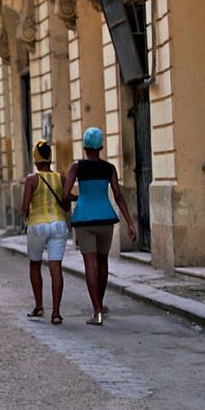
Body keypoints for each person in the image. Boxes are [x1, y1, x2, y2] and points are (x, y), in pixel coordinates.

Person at [62, 127, 137, 325]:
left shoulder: (76, 167)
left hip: (85, 219)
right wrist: (130, 223)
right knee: (103, 262)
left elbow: (64, 194)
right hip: (106, 218)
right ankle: (101, 304)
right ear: (101, 146)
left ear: (85, 147)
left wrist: (80, 198)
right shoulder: (109, 168)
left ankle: (97, 312)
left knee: (90, 265)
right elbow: (119, 197)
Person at [21, 140, 70, 325]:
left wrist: (29, 219)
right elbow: (65, 206)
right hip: (58, 225)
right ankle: (56, 313)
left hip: (37, 225)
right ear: (50, 157)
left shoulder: (32, 179)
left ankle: (39, 306)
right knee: (56, 268)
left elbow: (25, 206)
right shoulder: (61, 178)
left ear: (35, 159)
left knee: (35, 264)